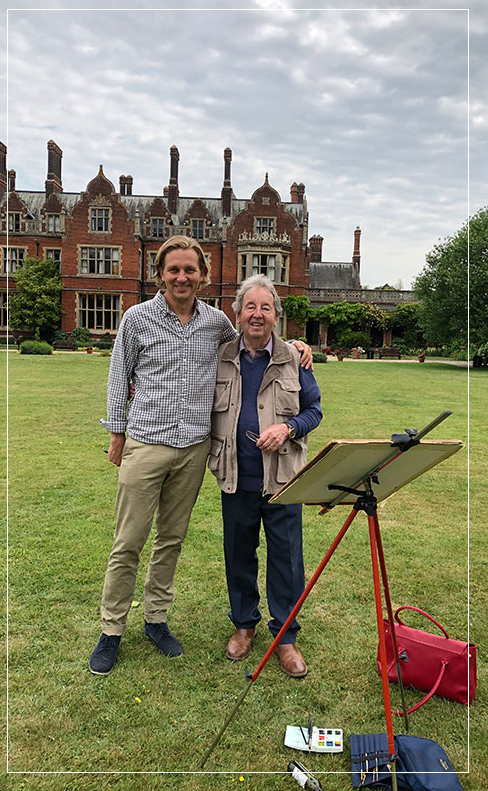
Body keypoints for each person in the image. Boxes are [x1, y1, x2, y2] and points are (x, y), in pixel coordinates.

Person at [89, 235, 312, 675]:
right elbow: (119, 379)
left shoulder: (216, 325)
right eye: (173, 269)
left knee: (170, 540)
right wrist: (117, 435)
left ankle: (156, 621)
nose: (182, 277)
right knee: (128, 542)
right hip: (147, 443)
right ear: (160, 274)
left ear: (204, 277)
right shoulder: (136, 319)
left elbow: (258, 337)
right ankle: (111, 630)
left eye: (190, 270)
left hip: (194, 448)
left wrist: (298, 348)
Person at [209, 275, 322, 678]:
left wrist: (288, 429)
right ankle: (243, 625)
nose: (257, 315)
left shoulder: (295, 358)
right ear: (237, 314)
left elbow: (314, 411)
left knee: (287, 560)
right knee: (239, 554)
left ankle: (285, 637)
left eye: (266, 308)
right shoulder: (220, 355)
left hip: (284, 480)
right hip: (235, 476)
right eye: (250, 307)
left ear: (276, 316)